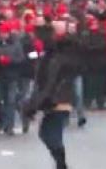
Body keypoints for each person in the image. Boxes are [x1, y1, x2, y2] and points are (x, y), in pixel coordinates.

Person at [23, 23, 80, 169]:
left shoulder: (56, 56)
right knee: (48, 133)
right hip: (58, 97)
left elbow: (49, 82)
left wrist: (35, 104)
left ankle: (61, 164)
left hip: (57, 98)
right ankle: (61, 163)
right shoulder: (57, 53)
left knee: (50, 133)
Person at [0, 23, 25, 135]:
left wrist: (10, 61)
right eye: (2, 33)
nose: (3, 35)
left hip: (12, 76)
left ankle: (10, 125)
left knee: (11, 101)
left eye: (5, 33)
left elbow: (21, 59)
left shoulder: (16, 45)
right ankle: (2, 121)